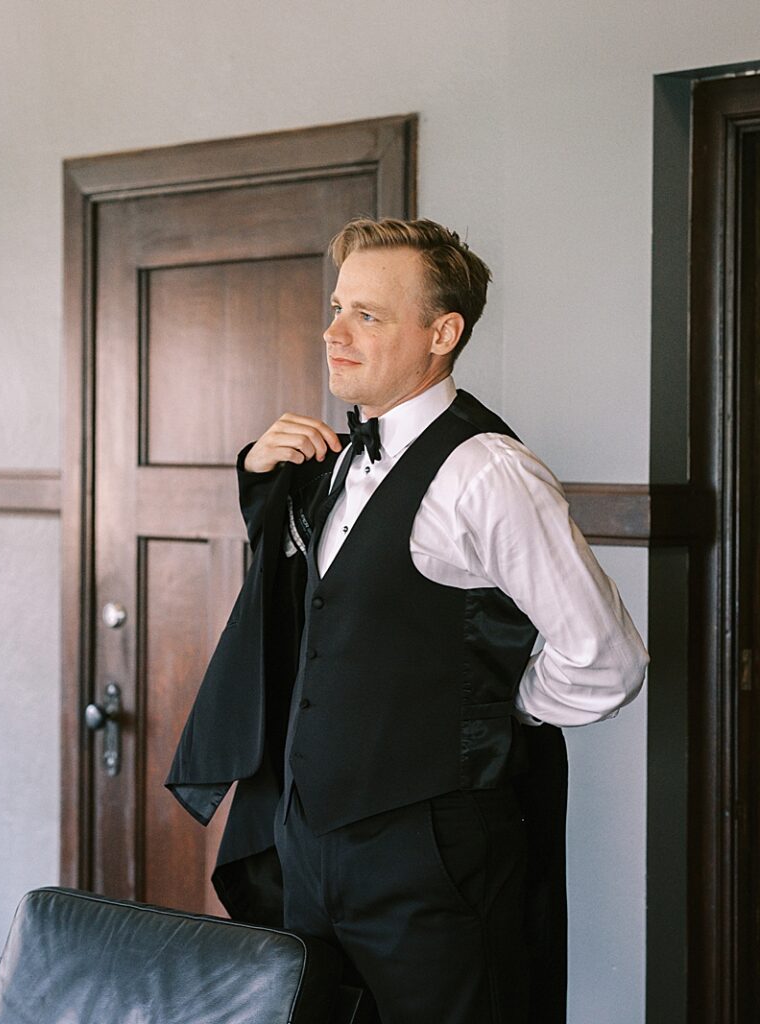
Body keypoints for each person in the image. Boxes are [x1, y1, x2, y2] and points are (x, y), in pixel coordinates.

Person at [167, 217, 648, 1024]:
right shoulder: (344, 456)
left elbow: (607, 661)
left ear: (442, 332)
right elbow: (305, 602)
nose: (334, 332)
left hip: (431, 862)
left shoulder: (490, 473)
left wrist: (487, 710)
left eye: (369, 315)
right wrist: (258, 470)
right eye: (337, 307)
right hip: (310, 850)